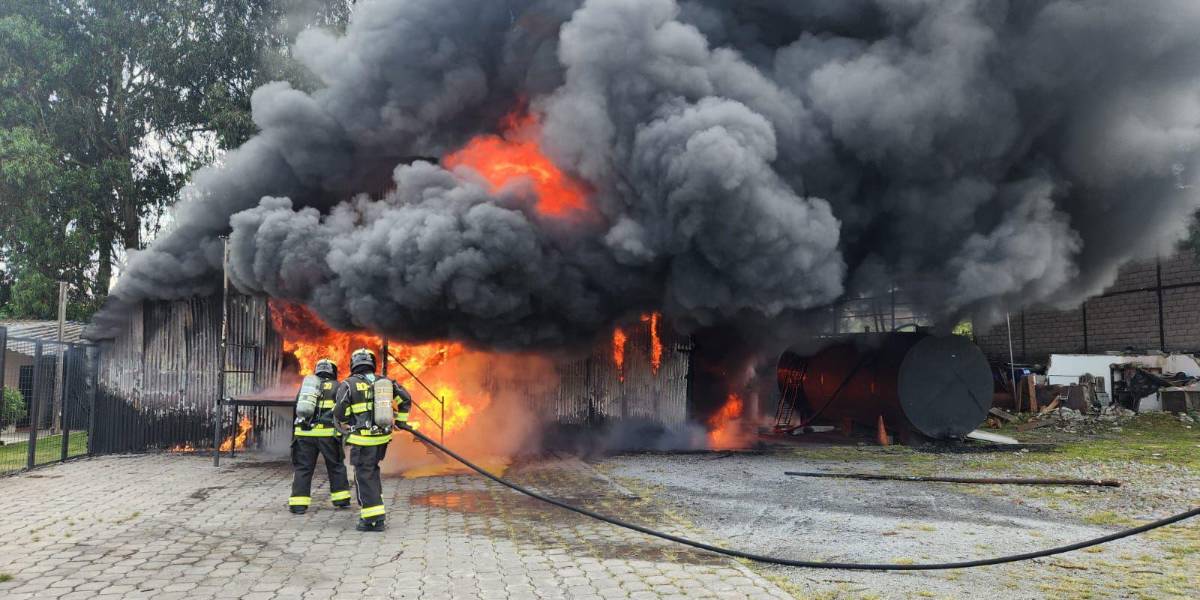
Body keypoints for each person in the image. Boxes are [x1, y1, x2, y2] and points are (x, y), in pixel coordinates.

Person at [333, 347, 414, 531]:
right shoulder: (384, 381)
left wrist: (346, 422)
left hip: (362, 440)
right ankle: (375, 508)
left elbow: (340, 412)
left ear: (354, 364)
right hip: (382, 439)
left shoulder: (348, 384)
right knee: (372, 471)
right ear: (372, 363)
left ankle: (372, 519)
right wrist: (400, 421)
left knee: (364, 475)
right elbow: (405, 399)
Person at [289, 358, 352, 514]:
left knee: (303, 468)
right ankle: (341, 499)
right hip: (328, 434)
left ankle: (298, 504)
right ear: (333, 371)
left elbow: (297, 408)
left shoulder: (307, 386)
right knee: (336, 465)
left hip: (304, 434)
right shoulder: (339, 386)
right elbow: (343, 409)